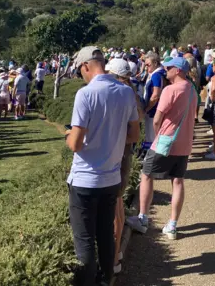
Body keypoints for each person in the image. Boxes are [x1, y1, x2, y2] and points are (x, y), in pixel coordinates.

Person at [65, 46, 139, 286]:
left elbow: (76, 144)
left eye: (80, 71)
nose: (81, 75)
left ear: (86, 66)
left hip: (85, 179)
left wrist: (68, 135)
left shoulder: (85, 94)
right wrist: (111, 138)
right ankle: (106, 280)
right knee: (106, 234)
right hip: (111, 178)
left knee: (84, 240)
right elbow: (134, 135)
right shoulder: (126, 92)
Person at [126, 57, 196, 240]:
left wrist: (158, 136)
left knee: (147, 175)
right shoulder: (192, 90)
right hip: (184, 142)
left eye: (170, 67)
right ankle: (172, 225)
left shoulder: (170, 90)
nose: (166, 70)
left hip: (165, 141)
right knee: (178, 181)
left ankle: (142, 218)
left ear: (178, 70)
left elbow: (157, 119)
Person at [104, 59, 144, 274]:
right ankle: (116, 254)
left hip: (118, 155)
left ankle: (114, 258)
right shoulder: (131, 93)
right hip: (125, 154)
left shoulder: (120, 94)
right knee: (117, 205)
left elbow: (131, 133)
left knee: (115, 208)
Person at [141, 52, 166, 155]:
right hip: (156, 109)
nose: (146, 67)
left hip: (153, 111)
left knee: (151, 137)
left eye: (148, 65)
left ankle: (151, 161)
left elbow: (156, 95)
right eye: (145, 65)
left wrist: (146, 109)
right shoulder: (161, 72)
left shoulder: (156, 75)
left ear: (155, 63)